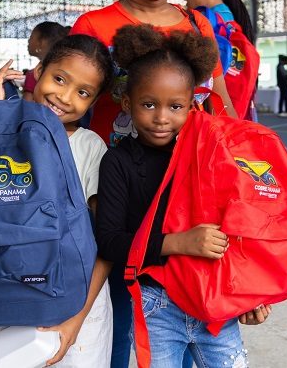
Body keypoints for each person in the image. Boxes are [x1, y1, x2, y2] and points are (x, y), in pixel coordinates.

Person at [69, 0, 236, 368]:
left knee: (185, 306)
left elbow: (218, 100)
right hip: (120, 185)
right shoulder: (94, 26)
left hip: (187, 188)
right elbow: (69, 99)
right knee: (127, 320)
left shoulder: (197, 25)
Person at [96, 24, 270, 368]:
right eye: (148, 104)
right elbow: (110, 241)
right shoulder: (117, 161)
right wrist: (178, 243)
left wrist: (251, 293)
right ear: (127, 103)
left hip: (215, 298)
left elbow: (241, 230)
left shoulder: (209, 157)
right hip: (154, 303)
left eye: (175, 106)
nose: (161, 118)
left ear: (192, 105)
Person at [0, 34, 116, 367]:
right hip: (11, 295)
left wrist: (76, 320)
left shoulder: (90, 148)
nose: (65, 97)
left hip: (77, 305)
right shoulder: (3, 136)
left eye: (83, 92)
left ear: (94, 101)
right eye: (59, 79)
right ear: (39, 70)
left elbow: (107, 243)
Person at [24, 21, 70, 101]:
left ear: (41, 42)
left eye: (31, 37)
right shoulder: (67, 70)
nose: (28, 41)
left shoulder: (35, 74)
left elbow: (26, 107)